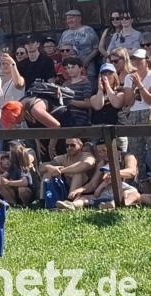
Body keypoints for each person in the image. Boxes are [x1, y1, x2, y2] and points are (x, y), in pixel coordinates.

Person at [59, 142, 141, 209]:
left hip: (127, 190)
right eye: (99, 152)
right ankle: (72, 205)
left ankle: (114, 204)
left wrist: (113, 174)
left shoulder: (128, 157)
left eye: (104, 150)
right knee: (83, 197)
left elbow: (132, 172)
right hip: (108, 191)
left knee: (131, 194)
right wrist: (80, 190)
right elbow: (92, 184)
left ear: (114, 148)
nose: (102, 154)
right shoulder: (103, 163)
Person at [122, 48, 151, 191]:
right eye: (133, 59)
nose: (136, 62)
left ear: (147, 60)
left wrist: (140, 85)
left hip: (149, 112)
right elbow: (128, 102)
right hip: (134, 114)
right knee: (135, 149)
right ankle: (139, 183)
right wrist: (133, 88)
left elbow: (149, 100)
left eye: (139, 59)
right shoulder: (129, 77)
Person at [90, 63, 127, 149]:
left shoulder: (120, 91)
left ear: (114, 75)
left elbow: (117, 104)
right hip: (98, 129)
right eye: (104, 74)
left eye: (110, 73)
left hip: (117, 129)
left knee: (121, 154)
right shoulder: (95, 92)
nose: (107, 76)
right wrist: (100, 90)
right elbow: (98, 106)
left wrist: (107, 86)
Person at [59, 9, 99, 88]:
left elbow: (96, 48)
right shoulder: (65, 33)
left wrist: (87, 60)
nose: (69, 20)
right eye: (68, 19)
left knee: (88, 89)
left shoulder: (88, 30)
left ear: (79, 18)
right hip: (69, 70)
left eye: (72, 18)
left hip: (87, 67)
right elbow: (60, 49)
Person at [61, 57, 92, 127]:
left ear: (80, 68)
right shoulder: (65, 84)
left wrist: (70, 102)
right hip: (65, 118)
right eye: (67, 68)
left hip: (79, 120)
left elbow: (88, 104)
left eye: (73, 67)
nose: (70, 70)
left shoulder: (85, 83)